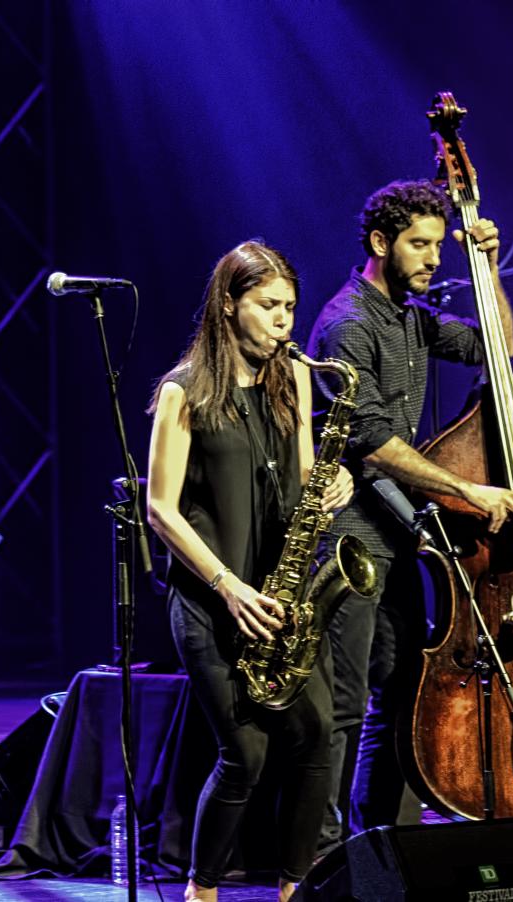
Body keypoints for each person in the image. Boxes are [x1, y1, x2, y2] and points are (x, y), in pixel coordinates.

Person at [306, 180, 513, 845]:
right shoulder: (348, 323)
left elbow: (500, 347)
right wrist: (470, 492)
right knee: (344, 707)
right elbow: (372, 445)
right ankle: (324, 863)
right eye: (420, 244)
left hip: (397, 534)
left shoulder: (412, 315)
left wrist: (487, 265)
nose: (435, 259)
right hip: (349, 537)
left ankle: (385, 850)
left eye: (439, 244)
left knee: (401, 697)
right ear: (381, 243)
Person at [146, 240, 354, 901]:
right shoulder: (183, 392)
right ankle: (201, 891)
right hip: (212, 598)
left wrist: (331, 484)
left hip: (280, 598)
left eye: (290, 307)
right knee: (247, 756)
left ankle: (298, 890)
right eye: (269, 307)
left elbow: (299, 477)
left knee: (318, 736)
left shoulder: (292, 378)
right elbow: (159, 509)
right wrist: (227, 586)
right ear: (230, 305)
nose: (285, 321)